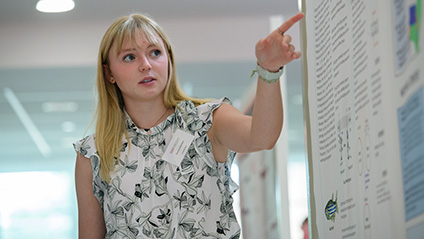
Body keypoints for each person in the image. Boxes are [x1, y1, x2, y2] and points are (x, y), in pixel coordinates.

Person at [74, 12, 303, 239]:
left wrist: (269, 71)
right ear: (109, 73)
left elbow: (263, 137)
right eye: (129, 57)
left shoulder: (208, 121)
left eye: (155, 53)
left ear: (169, 60)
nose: (146, 65)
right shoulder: (94, 153)